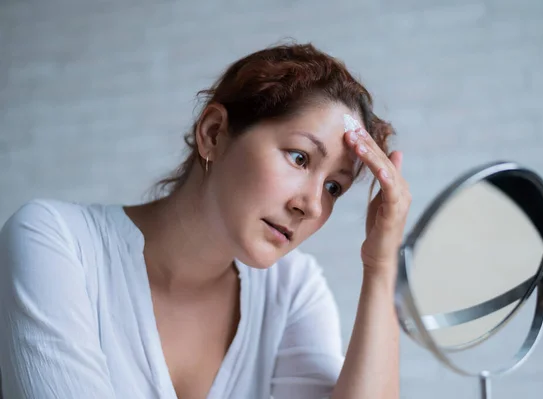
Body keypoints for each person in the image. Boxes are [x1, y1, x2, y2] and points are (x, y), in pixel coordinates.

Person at [0, 42, 411, 399]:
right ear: (213, 133)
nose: (314, 206)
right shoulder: (54, 243)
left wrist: (382, 266)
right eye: (300, 157)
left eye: (334, 188)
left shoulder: (291, 290)